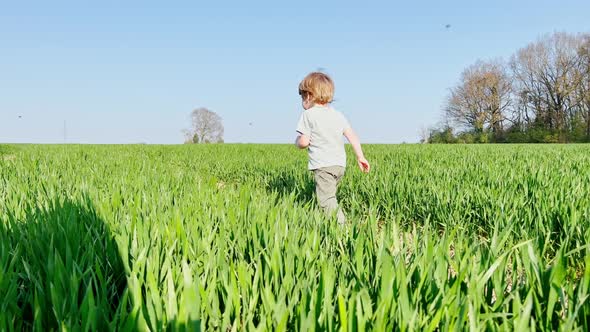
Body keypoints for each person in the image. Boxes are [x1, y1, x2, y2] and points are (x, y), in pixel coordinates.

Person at [295, 72, 370, 224]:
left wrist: (297, 141)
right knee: (328, 196)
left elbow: (304, 142)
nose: (302, 101)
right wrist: (360, 157)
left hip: (323, 165)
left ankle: (342, 229)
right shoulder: (338, 115)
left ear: (309, 95)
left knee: (326, 201)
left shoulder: (308, 114)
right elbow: (353, 136)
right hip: (339, 165)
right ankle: (322, 223)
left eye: (302, 97)